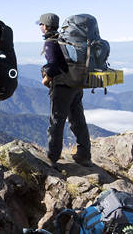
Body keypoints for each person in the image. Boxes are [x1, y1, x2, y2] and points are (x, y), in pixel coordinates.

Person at [38, 13, 92, 167]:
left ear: (46, 26)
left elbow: (54, 65)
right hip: (77, 84)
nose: (40, 27)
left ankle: (52, 157)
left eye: (41, 25)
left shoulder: (50, 43)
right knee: (78, 119)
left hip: (62, 88)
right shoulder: (66, 40)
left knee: (56, 120)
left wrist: (46, 79)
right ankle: (84, 155)